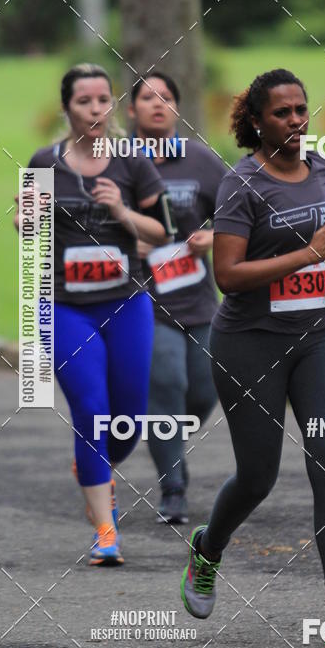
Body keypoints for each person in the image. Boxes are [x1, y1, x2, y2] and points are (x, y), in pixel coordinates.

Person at [180, 68, 325, 648]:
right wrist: (307, 255)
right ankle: (208, 548)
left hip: (319, 337)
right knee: (259, 476)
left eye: (302, 110)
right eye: (282, 113)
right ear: (257, 122)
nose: (296, 121)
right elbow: (227, 276)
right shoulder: (240, 185)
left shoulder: (318, 167)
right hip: (249, 346)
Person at [14, 63, 174, 565]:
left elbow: (163, 233)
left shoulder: (132, 162)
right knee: (90, 407)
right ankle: (106, 531)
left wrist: (123, 213)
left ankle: (93, 467)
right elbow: (26, 224)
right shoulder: (45, 161)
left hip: (125, 302)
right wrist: (23, 217)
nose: (96, 109)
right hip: (61, 307)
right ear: (67, 108)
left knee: (129, 418)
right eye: (84, 101)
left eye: (103, 99)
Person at [130, 72, 227, 524]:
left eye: (166, 97)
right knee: (166, 384)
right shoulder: (118, 164)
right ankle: (174, 488)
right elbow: (88, 229)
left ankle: (163, 431)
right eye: (147, 98)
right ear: (131, 111)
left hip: (198, 302)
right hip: (142, 302)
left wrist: (215, 235)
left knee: (203, 390)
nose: (157, 104)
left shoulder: (200, 162)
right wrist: (130, 242)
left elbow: (244, 214)